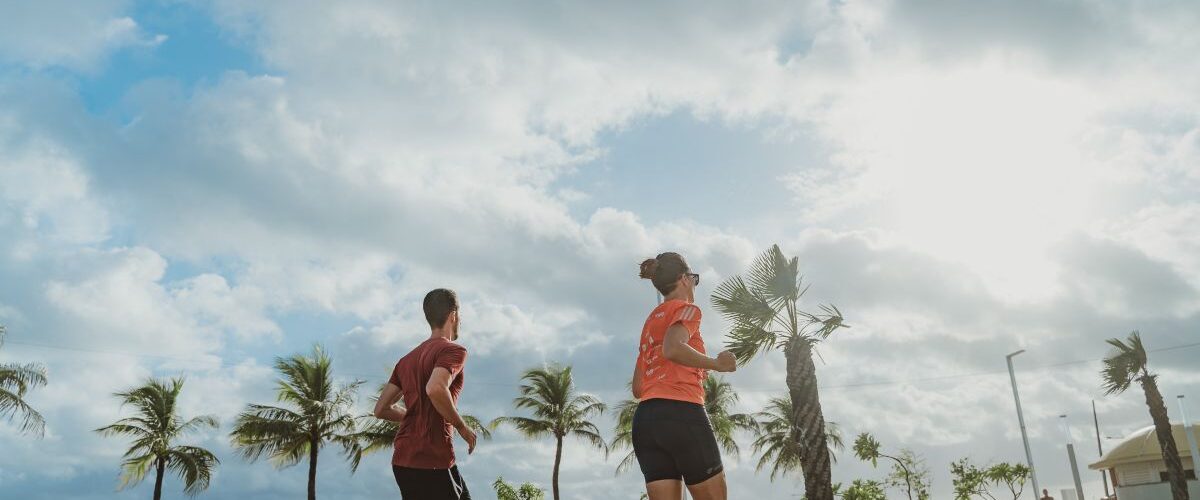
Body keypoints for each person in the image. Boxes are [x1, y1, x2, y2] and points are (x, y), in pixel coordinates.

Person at [632, 252, 738, 500]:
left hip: (645, 421)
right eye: (695, 279)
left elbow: (638, 388)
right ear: (685, 279)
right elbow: (673, 348)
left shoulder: (650, 322)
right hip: (681, 414)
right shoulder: (687, 309)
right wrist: (716, 364)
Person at [374, 288, 477, 500]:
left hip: (404, 461)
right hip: (432, 459)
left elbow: (381, 409)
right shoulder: (454, 351)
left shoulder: (406, 360)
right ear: (453, 316)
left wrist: (414, 415)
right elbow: (435, 388)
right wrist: (462, 426)